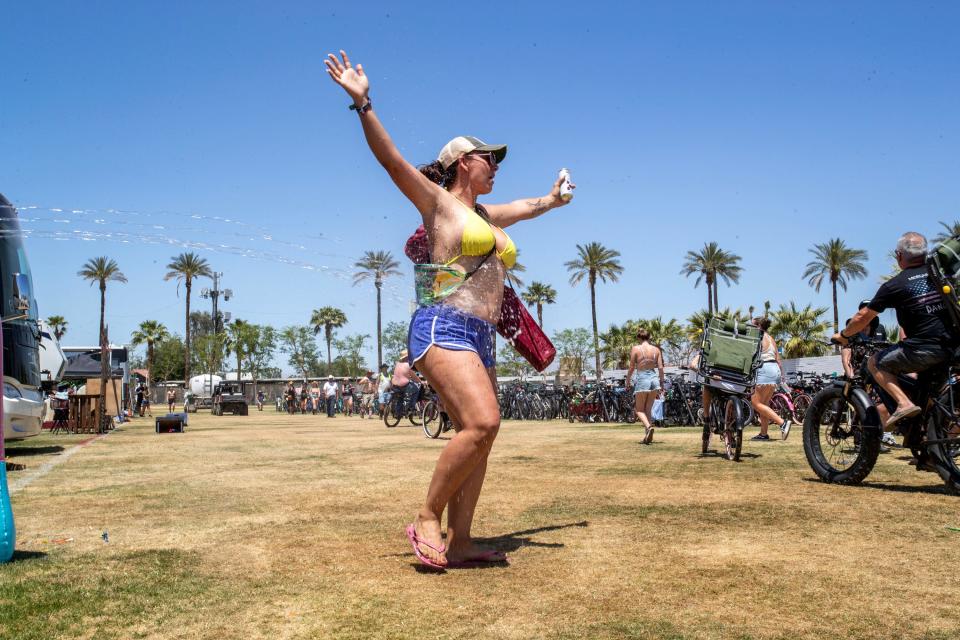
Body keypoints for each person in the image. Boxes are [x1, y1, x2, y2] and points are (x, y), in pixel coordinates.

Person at [325, 49, 574, 568]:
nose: (497, 166)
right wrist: (363, 103)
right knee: (482, 424)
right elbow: (392, 160)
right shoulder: (439, 205)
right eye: (490, 159)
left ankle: (461, 542)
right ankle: (427, 516)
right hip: (443, 326)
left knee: (482, 437)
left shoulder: (484, 212)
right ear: (464, 162)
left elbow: (526, 210)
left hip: (480, 334)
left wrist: (552, 199)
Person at [835, 232, 955, 429]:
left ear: (899, 256)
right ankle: (931, 451)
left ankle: (903, 403)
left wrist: (844, 335)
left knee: (875, 362)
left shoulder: (896, 284)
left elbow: (863, 317)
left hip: (922, 350)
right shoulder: (939, 277)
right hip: (950, 348)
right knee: (928, 400)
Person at [749, 317, 791, 441]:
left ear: (758, 326)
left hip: (765, 369)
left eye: (752, 325)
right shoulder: (771, 338)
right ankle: (763, 433)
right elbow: (778, 359)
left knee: (756, 403)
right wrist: (781, 376)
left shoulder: (757, 337)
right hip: (774, 369)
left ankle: (782, 423)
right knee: (764, 404)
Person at [625, 328, 664, 445]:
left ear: (639, 338)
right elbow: (661, 368)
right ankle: (647, 435)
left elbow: (632, 367)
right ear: (649, 337)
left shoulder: (636, 349)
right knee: (647, 409)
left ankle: (649, 427)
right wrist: (662, 383)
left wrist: (627, 380)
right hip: (654, 379)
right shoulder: (656, 349)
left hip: (643, 379)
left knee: (639, 409)